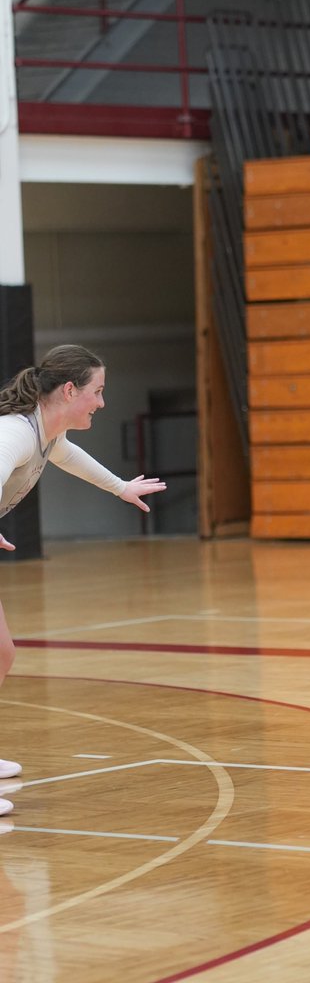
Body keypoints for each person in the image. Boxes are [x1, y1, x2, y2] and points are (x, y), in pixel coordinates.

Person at [0, 344, 167, 813]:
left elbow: (70, 457)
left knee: (1, 652)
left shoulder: (45, 434)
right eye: (97, 391)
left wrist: (121, 488)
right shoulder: (13, 433)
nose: (101, 402)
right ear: (70, 389)